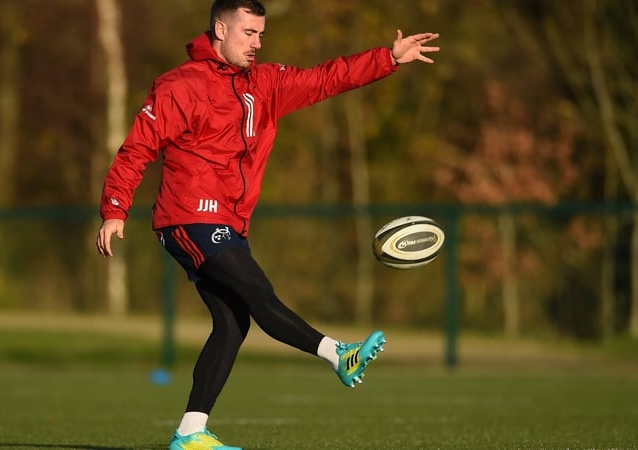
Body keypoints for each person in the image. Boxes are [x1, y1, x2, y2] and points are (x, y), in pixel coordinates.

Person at [95, 1, 439, 449]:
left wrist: (387, 58)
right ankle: (339, 354)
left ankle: (190, 432)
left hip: (230, 222)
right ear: (220, 29)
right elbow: (137, 148)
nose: (257, 43)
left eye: (261, 34)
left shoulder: (267, 83)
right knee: (257, 291)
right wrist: (115, 209)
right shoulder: (180, 86)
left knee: (233, 322)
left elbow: (325, 78)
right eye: (248, 33)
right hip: (187, 216)